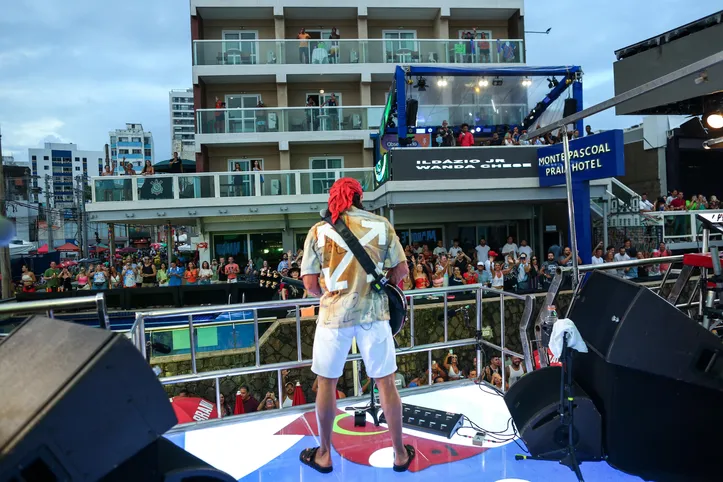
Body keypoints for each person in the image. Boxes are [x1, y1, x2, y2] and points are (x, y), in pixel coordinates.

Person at [299, 177, 415, 473]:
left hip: (334, 318)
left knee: (327, 384)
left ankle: (324, 454)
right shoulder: (381, 224)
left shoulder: (318, 230)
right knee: (386, 383)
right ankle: (400, 454)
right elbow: (401, 270)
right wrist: (378, 283)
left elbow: (310, 284)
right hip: (374, 315)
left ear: (334, 197)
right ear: (358, 197)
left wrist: (330, 289)